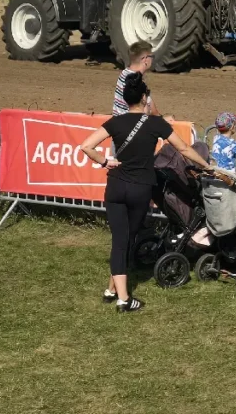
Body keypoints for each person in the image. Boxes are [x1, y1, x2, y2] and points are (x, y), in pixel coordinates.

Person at [81, 73, 214, 312]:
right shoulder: (156, 124)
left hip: (115, 186)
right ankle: (124, 300)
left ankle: (112, 289)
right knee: (125, 240)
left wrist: (104, 162)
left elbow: (86, 146)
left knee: (121, 239)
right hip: (140, 188)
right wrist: (207, 166)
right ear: (144, 98)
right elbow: (183, 148)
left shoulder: (115, 122)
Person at [113, 41, 158, 116]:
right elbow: (153, 111)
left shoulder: (124, 74)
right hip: (131, 124)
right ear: (145, 59)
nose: (152, 60)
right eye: (152, 57)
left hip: (117, 120)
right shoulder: (137, 82)